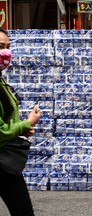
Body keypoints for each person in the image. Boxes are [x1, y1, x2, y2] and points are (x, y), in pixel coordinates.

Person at [0, 27, 41, 216]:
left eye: (8, 47)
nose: (6, 52)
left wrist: (21, 128)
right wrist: (27, 124)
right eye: (1, 47)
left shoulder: (1, 82)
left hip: (4, 162)